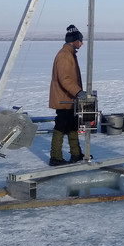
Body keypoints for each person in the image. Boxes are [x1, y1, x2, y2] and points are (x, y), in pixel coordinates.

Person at [48, 25, 86, 166]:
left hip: (69, 99)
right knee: (61, 126)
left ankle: (76, 154)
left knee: (72, 125)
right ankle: (55, 156)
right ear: (74, 41)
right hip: (64, 99)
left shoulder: (69, 53)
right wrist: (78, 92)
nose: (82, 43)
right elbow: (65, 79)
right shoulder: (64, 55)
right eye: (80, 40)